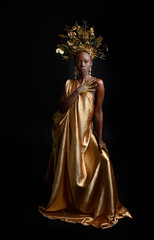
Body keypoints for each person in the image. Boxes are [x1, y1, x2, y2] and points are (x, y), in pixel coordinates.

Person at [39, 22, 132, 229]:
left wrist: (99, 139)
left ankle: (96, 205)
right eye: (79, 62)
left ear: (92, 63)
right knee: (72, 172)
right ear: (74, 63)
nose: (82, 65)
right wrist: (78, 89)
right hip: (70, 138)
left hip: (86, 136)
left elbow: (98, 112)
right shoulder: (69, 84)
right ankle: (70, 200)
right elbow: (62, 108)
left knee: (103, 162)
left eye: (86, 61)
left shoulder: (98, 84)